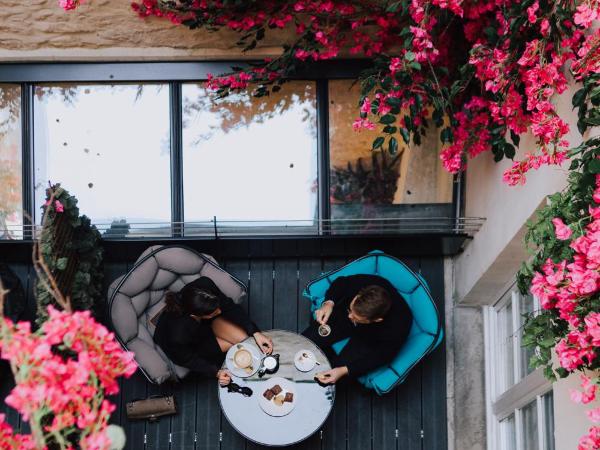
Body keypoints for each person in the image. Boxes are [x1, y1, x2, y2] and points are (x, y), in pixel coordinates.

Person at [154, 276, 273, 386]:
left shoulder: (204, 285)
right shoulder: (178, 335)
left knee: (247, 340)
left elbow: (229, 307)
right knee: (237, 347)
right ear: (196, 314)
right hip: (192, 345)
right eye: (214, 312)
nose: (220, 312)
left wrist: (255, 332)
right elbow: (188, 359)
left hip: (205, 324)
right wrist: (216, 372)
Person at [303, 274, 413, 385]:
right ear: (359, 295)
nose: (351, 317)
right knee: (305, 341)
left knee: (326, 378)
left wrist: (343, 370)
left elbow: (380, 357)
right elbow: (341, 283)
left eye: (356, 317)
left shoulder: (398, 328)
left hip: (371, 339)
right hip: (342, 315)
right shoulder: (370, 284)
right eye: (352, 310)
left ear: (377, 320)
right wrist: (328, 303)